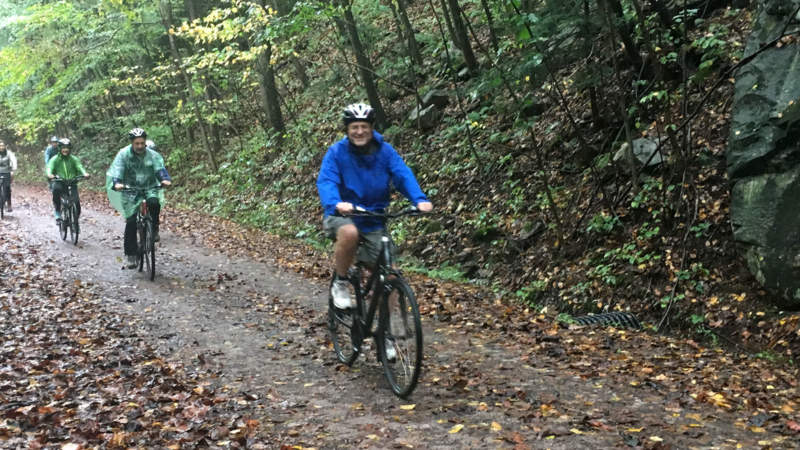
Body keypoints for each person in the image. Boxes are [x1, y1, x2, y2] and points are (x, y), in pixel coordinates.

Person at [316, 103, 433, 310]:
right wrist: (335, 203)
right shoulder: (336, 152)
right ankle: (341, 283)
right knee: (350, 233)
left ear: (371, 128)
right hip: (342, 213)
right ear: (347, 129)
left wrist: (419, 199)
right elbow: (326, 181)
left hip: (373, 217)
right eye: (354, 127)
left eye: (364, 126)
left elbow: (402, 174)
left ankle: (384, 335)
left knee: (390, 277)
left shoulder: (385, 151)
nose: (359, 131)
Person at [107, 128, 172, 269]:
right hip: (129, 190)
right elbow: (118, 170)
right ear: (132, 143)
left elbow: (160, 169)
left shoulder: (152, 155)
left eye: (142, 143)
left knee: (154, 203)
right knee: (131, 221)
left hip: (149, 187)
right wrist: (117, 183)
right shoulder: (123, 154)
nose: (140, 146)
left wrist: (165, 179)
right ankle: (131, 254)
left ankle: (154, 228)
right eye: (137, 143)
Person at [46, 138, 89, 222]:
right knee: (56, 191)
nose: (65, 149)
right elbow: (49, 168)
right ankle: (57, 211)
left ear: (70, 148)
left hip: (72, 182)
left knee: (76, 203)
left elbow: (79, 166)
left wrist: (84, 173)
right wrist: (50, 174)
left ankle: (75, 222)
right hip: (60, 181)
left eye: (67, 147)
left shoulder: (73, 159)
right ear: (60, 148)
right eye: (63, 147)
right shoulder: (55, 159)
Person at [0, 141, 18, 212]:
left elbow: (14, 161)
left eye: (2, 146)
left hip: (7, 172)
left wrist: (13, 171)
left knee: (7, 188)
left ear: (5, 146)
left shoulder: (9, 153)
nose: (1, 147)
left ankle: (9, 204)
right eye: (0, 146)